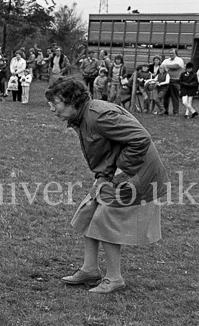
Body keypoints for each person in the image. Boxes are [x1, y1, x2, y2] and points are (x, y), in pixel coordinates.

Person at [45, 78, 168, 294]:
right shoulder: (84, 115)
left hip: (139, 173)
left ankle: (114, 278)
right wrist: (104, 175)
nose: (52, 109)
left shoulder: (98, 115)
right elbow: (112, 146)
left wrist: (121, 170)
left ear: (72, 101)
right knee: (89, 210)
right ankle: (90, 269)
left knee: (105, 217)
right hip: (119, 172)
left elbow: (140, 139)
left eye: (55, 103)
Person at [160, 49, 185, 115]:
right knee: (165, 97)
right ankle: (165, 111)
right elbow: (161, 67)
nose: (171, 54)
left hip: (175, 80)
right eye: (170, 53)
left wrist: (167, 66)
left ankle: (175, 111)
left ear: (176, 53)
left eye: (172, 53)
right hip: (166, 80)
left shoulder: (179, 60)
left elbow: (176, 66)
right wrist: (167, 67)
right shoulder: (166, 60)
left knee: (174, 97)